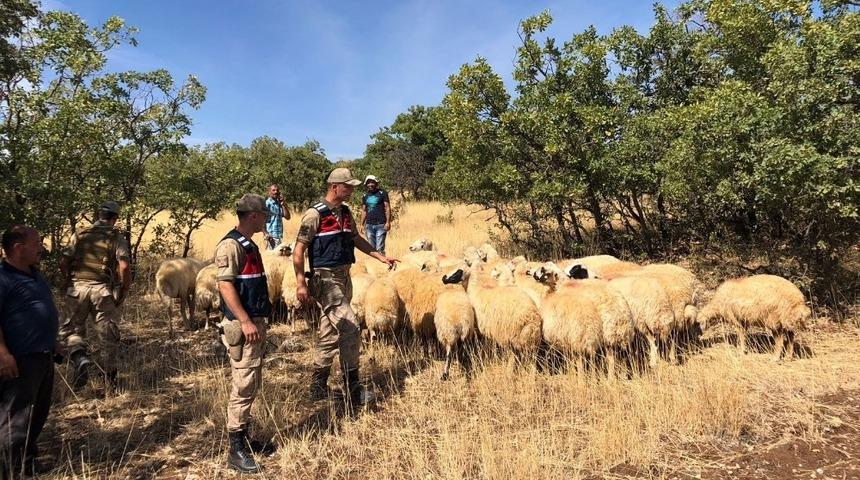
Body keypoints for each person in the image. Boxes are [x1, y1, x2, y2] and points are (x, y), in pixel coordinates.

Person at [293, 168, 397, 413]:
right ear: (334, 187)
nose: (351, 190)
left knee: (330, 332)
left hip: (345, 277)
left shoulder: (346, 212)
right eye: (347, 186)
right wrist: (300, 283)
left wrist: (379, 256)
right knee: (350, 327)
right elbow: (298, 251)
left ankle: (318, 385)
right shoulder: (313, 215)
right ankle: (353, 388)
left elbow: (356, 239)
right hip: (326, 280)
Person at [215, 193, 274, 473]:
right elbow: (225, 286)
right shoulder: (230, 245)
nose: (266, 219)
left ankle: (245, 439)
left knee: (251, 382)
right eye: (264, 215)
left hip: (255, 323)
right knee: (243, 384)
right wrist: (245, 321)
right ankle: (236, 450)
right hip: (243, 327)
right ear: (253, 216)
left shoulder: (248, 244)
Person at [0, 226, 60, 477]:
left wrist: (53, 340)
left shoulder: (34, 273)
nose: (42, 247)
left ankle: (27, 460)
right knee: (16, 416)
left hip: (43, 354)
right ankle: (8, 470)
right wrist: (2, 354)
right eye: (37, 243)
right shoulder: (3, 278)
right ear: (18, 247)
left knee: (38, 412)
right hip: (19, 358)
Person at [59, 201, 131, 391]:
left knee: (72, 331)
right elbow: (124, 266)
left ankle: (80, 357)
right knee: (107, 336)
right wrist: (123, 289)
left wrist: (69, 280)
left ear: (99, 215)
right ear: (114, 219)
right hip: (102, 292)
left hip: (77, 290)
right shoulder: (116, 237)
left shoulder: (80, 234)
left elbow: (64, 261)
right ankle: (109, 381)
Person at [360, 175, 391, 254]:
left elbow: (387, 207)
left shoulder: (382, 193)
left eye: (372, 182)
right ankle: (373, 265)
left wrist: (387, 222)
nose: (370, 184)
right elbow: (364, 210)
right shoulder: (365, 196)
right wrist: (361, 224)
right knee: (371, 249)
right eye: (368, 183)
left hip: (381, 224)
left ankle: (381, 265)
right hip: (369, 225)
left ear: (376, 183)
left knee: (380, 248)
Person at [263, 184, 290, 250]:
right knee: (272, 257)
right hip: (270, 236)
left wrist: (284, 205)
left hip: (279, 236)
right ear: (269, 192)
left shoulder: (279, 204)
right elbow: (262, 220)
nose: (276, 192)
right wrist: (266, 233)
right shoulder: (267, 204)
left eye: (277, 190)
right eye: (273, 190)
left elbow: (288, 217)